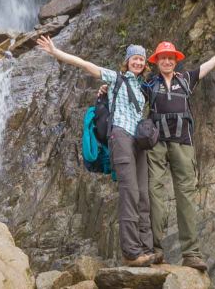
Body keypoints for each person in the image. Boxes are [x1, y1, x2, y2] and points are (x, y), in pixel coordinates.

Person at [35, 35, 162, 267]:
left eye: (141, 59)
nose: (138, 62)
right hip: (121, 136)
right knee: (130, 192)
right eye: (134, 58)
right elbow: (85, 65)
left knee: (143, 193)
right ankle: (131, 253)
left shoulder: (144, 87)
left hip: (139, 141)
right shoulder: (115, 78)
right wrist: (56, 52)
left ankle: (147, 248)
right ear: (127, 61)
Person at [143, 29, 215, 271]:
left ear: (176, 60)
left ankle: (191, 253)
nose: (167, 60)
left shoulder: (186, 79)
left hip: (183, 142)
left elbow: (213, 62)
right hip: (157, 144)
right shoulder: (148, 84)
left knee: (186, 195)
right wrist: (103, 93)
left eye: (171, 57)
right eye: (163, 57)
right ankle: (155, 248)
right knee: (155, 193)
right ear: (156, 61)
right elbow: (127, 93)